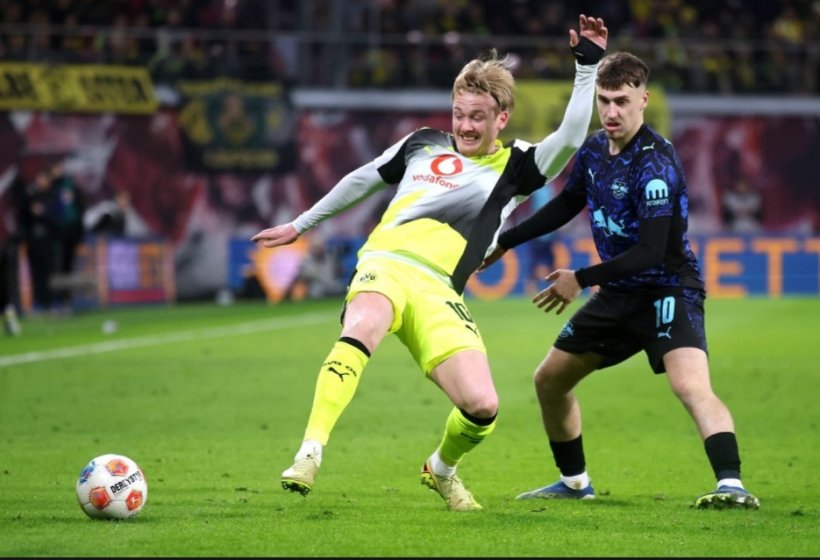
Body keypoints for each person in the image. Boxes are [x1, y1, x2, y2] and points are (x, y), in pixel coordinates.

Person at [251, 14, 609, 511]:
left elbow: (569, 138)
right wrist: (301, 224)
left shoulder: (517, 167)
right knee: (363, 324)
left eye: (477, 117)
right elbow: (363, 178)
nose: (465, 125)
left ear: (502, 118)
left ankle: (441, 469)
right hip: (386, 262)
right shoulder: (422, 143)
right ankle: (310, 452)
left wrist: (587, 68)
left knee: (482, 406)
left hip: (440, 289)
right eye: (459, 113)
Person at [479, 51, 760, 510]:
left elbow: (650, 251)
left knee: (690, 386)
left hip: (668, 289)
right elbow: (568, 202)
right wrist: (506, 241)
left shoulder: (656, 164)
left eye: (622, 102)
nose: (611, 112)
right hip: (617, 295)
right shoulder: (594, 149)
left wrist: (581, 278)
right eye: (604, 101)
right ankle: (574, 483)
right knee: (549, 380)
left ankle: (731, 485)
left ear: (643, 100)